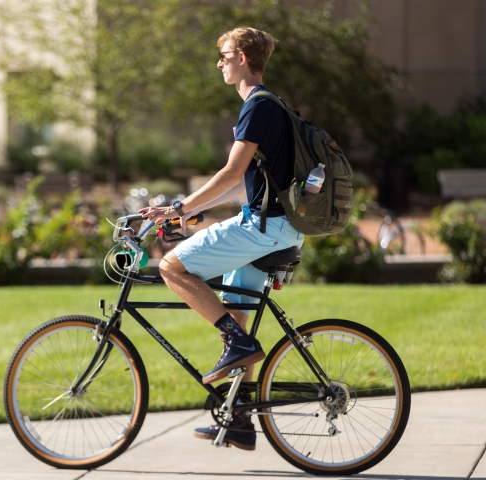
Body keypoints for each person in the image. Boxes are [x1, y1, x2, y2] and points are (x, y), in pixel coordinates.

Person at [138, 27, 304, 450]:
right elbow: (248, 182)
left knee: (171, 266)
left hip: (266, 228)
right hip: (275, 225)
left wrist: (180, 209)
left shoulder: (258, 107)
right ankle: (241, 422)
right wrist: (196, 210)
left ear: (244, 58)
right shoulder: (270, 106)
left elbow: (231, 172)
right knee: (236, 310)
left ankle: (238, 342)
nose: (219, 62)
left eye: (225, 55)